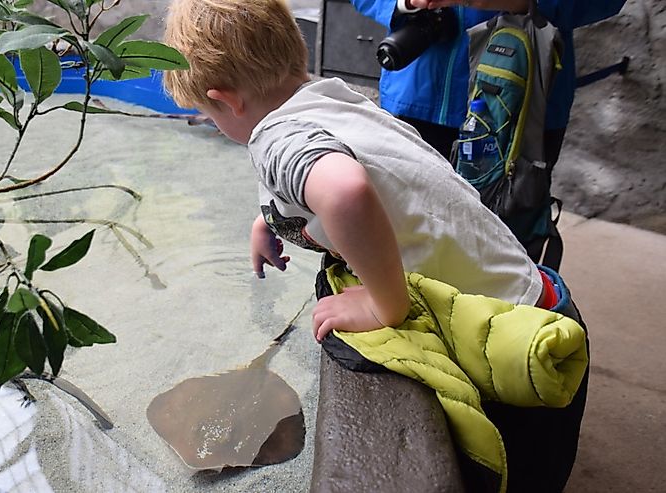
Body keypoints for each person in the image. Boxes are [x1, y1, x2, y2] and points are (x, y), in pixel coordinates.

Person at [162, 0, 587, 491]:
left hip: (516, 349)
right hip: (538, 296)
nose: (215, 124)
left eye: (206, 114)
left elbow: (345, 190)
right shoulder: (337, 98)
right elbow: (369, 174)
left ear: (227, 100)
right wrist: (271, 218)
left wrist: (385, 303)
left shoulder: (275, 138)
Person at [351, 0, 627, 266]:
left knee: (505, 246)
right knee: (406, 243)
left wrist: (522, 2)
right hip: (416, 94)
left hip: (518, 103)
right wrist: (404, 3)